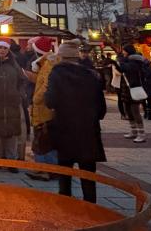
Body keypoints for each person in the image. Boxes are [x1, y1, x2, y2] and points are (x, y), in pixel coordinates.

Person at [46, 41, 107, 203]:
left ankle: (66, 206)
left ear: (61, 56)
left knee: (65, 174)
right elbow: (102, 109)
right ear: (76, 57)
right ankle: (91, 206)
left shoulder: (57, 73)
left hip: (65, 130)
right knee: (88, 175)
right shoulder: (91, 76)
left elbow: (50, 101)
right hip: (88, 132)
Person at [0, 40, 26, 169]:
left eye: (5, 48)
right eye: (0, 47)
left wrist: (19, 94)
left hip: (11, 104)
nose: (2, 50)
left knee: (11, 134)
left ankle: (11, 161)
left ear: (8, 50)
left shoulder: (14, 65)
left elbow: (22, 80)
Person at [28, 38, 61, 181]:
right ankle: (44, 168)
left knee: (44, 139)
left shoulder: (49, 64)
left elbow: (47, 84)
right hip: (43, 109)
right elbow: (41, 80)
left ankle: (47, 169)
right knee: (42, 139)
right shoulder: (45, 63)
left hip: (44, 109)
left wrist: (36, 98)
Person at [117, 45, 151, 143]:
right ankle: (133, 131)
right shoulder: (128, 60)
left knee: (135, 111)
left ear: (128, 52)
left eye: (124, 51)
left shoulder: (135, 62)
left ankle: (141, 134)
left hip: (134, 88)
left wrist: (120, 60)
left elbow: (124, 68)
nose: (123, 53)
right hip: (127, 89)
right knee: (128, 110)